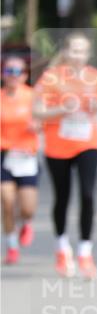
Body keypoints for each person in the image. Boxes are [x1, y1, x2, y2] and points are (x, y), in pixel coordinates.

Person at [33, 33, 97, 278]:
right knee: (62, 197)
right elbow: (38, 112)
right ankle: (62, 248)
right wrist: (60, 110)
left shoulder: (95, 76)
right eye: (73, 51)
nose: (78, 55)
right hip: (58, 144)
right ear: (65, 52)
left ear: (88, 54)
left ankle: (85, 251)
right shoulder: (51, 77)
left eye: (82, 51)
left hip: (88, 141)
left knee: (87, 194)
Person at [1, 56, 39, 265]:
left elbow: (46, 120)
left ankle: (26, 222)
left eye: (17, 72)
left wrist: (38, 126)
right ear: (3, 74)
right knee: (6, 202)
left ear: (24, 75)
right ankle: (12, 245)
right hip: (4, 155)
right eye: (9, 71)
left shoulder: (33, 97)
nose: (13, 76)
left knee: (27, 208)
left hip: (26, 156)